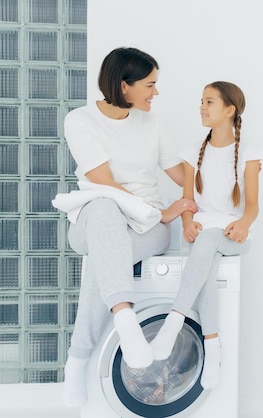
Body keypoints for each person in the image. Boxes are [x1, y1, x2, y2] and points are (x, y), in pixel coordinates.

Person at [58, 47, 196, 406]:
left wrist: (217, 174)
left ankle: (79, 359)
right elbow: (102, 182)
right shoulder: (80, 121)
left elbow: (183, 175)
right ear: (124, 86)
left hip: (148, 229)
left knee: (106, 265)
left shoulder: (151, 123)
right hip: (96, 221)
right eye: (150, 84)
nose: (156, 92)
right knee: (104, 206)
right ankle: (126, 318)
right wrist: (158, 214)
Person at [149, 81, 263, 390]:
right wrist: (187, 222)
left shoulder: (250, 155)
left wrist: (243, 223)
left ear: (230, 110)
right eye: (201, 101)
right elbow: (188, 201)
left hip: (232, 234)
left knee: (211, 239)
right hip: (201, 235)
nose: (202, 107)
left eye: (210, 102)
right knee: (207, 266)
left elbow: (252, 206)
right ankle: (212, 344)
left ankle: (174, 321)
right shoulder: (192, 153)